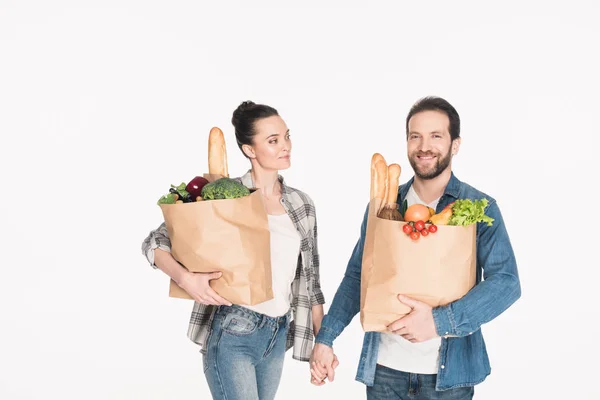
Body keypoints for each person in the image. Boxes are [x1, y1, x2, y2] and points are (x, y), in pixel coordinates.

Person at [309, 96, 521, 399]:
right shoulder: (384, 205)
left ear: (455, 144)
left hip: (450, 377)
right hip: (383, 372)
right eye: (415, 136)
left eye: (436, 136)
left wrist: (438, 322)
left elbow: (507, 283)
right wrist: (326, 338)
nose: (424, 146)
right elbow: (359, 275)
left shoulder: (478, 206)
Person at [141, 101, 326, 400]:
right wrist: (186, 278)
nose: (286, 146)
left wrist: (323, 342)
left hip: (278, 333)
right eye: (273, 141)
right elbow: (154, 241)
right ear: (249, 149)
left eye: (287, 136)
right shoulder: (223, 196)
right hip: (234, 330)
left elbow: (311, 281)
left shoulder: (301, 204)